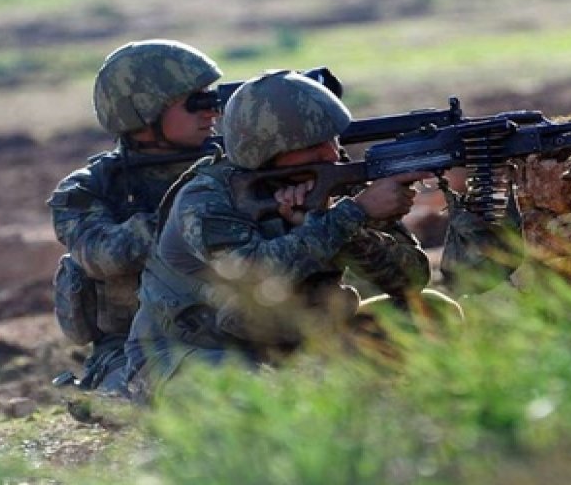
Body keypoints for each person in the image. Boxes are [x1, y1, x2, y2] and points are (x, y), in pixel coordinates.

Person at [125, 69, 461, 396]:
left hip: (297, 344)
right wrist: (351, 214)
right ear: (264, 154)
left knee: (432, 313)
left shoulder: (331, 178)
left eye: (331, 139)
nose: (330, 154)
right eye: (312, 148)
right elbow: (255, 277)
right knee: (257, 400)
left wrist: (341, 223)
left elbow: (410, 279)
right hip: (190, 353)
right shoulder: (207, 199)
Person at [47, 39, 223, 395]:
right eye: (197, 101)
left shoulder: (234, 168)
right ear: (146, 110)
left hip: (238, 331)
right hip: (134, 349)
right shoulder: (91, 189)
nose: (212, 112)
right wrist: (192, 213)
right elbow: (102, 255)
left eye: (213, 98)